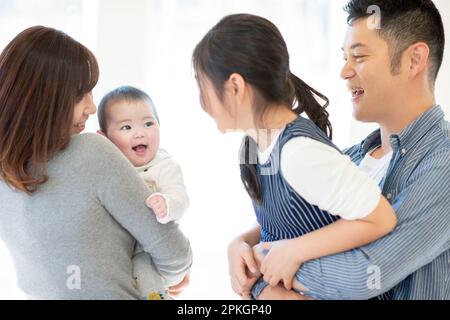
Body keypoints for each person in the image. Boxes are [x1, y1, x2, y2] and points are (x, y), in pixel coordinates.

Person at [229, 0, 450, 300]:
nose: (344, 72)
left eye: (358, 56)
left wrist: (264, 268)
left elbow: (365, 273)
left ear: (414, 60)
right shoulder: (351, 156)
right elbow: (295, 221)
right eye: (345, 57)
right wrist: (242, 243)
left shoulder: (443, 161)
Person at [192, 13, 398, 300]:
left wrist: (294, 251)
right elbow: (291, 217)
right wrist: (240, 243)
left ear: (236, 87)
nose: (202, 103)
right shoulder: (255, 146)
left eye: (203, 88)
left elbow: (380, 219)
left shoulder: (299, 152)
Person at [0, 26, 192, 300]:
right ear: (45, 99)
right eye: (81, 95)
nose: (91, 108)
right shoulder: (91, 151)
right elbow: (175, 254)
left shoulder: (5, 173)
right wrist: (166, 277)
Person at [97, 86, 189, 299]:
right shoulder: (107, 168)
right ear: (104, 139)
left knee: (146, 278)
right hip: (117, 250)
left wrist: (166, 203)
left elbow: (181, 198)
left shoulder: (164, 166)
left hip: (149, 253)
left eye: (148, 124)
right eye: (126, 127)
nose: (140, 132)